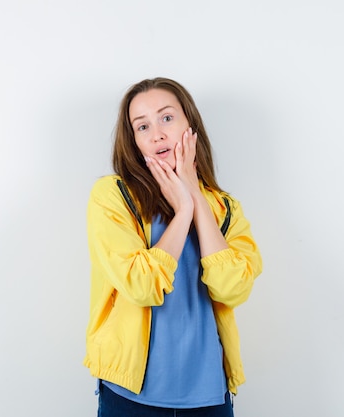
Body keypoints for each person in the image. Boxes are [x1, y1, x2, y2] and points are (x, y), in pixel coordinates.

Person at [84, 77, 263, 416]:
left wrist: (195, 195)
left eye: (167, 118)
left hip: (210, 396)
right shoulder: (113, 197)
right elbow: (141, 286)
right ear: (134, 141)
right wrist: (183, 211)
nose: (157, 134)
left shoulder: (226, 209)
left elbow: (232, 289)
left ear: (190, 126)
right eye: (142, 126)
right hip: (130, 396)